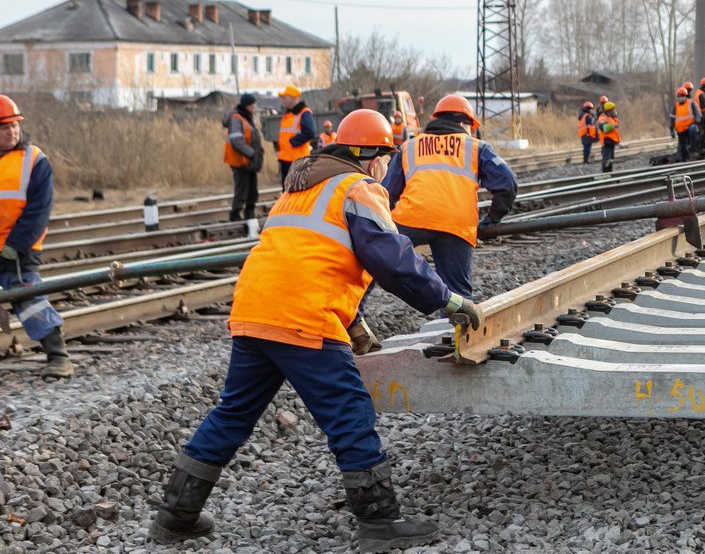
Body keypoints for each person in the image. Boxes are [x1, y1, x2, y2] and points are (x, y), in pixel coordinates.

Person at [150, 109, 483, 549]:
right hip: (303, 318)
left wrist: (355, 321)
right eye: (384, 157)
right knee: (350, 413)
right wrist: (448, 299)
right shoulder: (358, 189)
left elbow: (311, 259)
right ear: (368, 156)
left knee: (232, 414)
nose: (385, 167)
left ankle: (175, 516)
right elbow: (393, 260)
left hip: (255, 311)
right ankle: (381, 522)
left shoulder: (300, 189)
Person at [382, 94, 519, 302]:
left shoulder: (409, 146)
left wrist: (382, 228)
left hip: (411, 219)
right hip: (456, 224)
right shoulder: (475, 147)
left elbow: (386, 192)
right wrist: (492, 218)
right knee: (458, 295)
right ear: (465, 123)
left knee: (374, 259)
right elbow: (507, 182)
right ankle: (453, 326)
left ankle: (354, 318)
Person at [0, 95, 73, 378]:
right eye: (5, 127)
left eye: (14, 125)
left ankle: (59, 357)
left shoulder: (34, 160)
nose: (12, 131)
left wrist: (14, 246)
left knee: (29, 300)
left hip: (20, 250)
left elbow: (39, 211)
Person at [222, 93, 263, 225]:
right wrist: (252, 153)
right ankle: (235, 215)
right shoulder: (236, 118)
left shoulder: (247, 117)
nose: (255, 107)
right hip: (239, 160)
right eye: (253, 104)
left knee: (252, 189)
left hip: (248, 160)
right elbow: (236, 141)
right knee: (242, 189)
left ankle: (249, 214)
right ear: (247, 105)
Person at [275, 86, 317, 188]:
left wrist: (292, 142)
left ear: (293, 98)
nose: (283, 100)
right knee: (287, 190)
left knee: (295, 190)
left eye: (285, 97)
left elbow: (310, 132)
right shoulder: (289, 114)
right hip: (287, 158)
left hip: (297, 160)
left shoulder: (304, 113)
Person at [671, 87, 698, 163]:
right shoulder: (676, 106)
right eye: (678, 96)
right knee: (683, 146)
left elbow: (697, 114)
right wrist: (671, 129)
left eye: (682, 96)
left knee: (693, 130)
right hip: (680, 130)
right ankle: (684, 161)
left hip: (689, 127)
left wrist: (696, 123)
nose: (680, 98)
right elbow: (672, 118)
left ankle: (693, 151)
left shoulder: (690, 103)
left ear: (685, 96)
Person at [596, 101, 621, 173]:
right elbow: (604, 128)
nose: (614, 110)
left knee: (610, 160)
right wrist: (613, 126)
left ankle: (609, 173)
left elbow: (616, 123)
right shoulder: (603, 118)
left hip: (611, 142)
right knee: (606, 160)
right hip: (607, 142)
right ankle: (606, 174)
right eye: (612, 109)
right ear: (609, 110)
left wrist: (615, 117)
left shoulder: (610, 117)